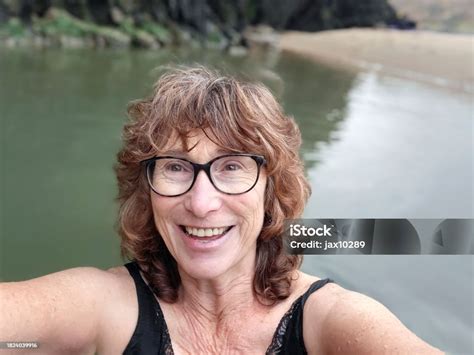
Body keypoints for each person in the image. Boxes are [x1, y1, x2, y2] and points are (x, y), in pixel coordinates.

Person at [0, 66, 442, 354]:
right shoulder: (103, 307)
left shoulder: (332, 321)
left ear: (272, 189)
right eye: (174, 167)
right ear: (146, 188)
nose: (201, 202)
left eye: (232, 166)